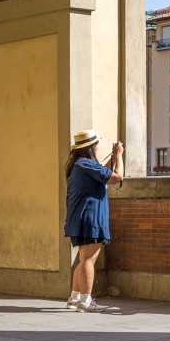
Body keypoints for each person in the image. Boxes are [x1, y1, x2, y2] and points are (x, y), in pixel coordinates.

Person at [63, 129, 124, 313]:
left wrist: (112, 157)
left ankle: (74, 299)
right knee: (89, 260)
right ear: (90, 147)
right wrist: (119, 156)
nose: (97, 147)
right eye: (96, 144)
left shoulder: (79, 165)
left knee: (82, 261)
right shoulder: (87, 165)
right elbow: (117, 177)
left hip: (80, 219)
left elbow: (102, 173)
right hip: (91, 219)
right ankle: (86, 302)